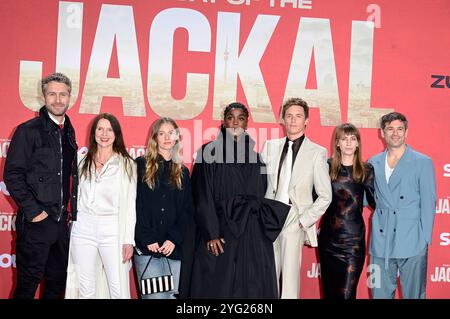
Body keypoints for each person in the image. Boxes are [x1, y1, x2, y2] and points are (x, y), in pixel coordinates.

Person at [189, 102, 290, 298]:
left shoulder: (257, 157)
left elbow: (262, 192)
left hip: (250, 232)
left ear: (246, 123)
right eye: (231, 117)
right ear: (224, 122)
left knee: (251, 288)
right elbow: (202, 196)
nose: (235, 122)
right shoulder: (207, 152)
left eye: (240, 118)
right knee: (218, 287)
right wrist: (211, 233)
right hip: (220, 230)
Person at [4, 73, 78, 299]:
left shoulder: (69, 132)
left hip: (61, 225)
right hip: (37, 225)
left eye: (62, 94)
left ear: (69, 97)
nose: (58, 100)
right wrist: (35, 212)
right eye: (52, 94)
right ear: (44, 96)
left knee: (56, 286)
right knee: (27, 286)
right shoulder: (28, 130)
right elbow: (12, 175)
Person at [261, 97, 332, 299]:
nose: (293, 120)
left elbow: (325, 195)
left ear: (306, 120)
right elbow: (260, 185)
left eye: (298, 116)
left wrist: (303, 221)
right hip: (269, 216)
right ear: (282, 119)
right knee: (266, 277)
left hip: (294, 217)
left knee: (290, 283)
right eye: (289, 116)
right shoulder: (270, 147)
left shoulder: (317, 152)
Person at [65, 113, 136, 299]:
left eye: (109, 129)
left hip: (112, 229)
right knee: (84, 288)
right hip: (83, 229)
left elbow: (130, 204)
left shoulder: (127, 164)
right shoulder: (81, 161)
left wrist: (128, 240)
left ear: (116, 134)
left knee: (118, 289)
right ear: (94, 132)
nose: (104, 134)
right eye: (100, 129)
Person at [368, 112, 436, 299]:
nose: (395, 133)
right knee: (379, 294)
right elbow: (365, 198)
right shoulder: (373, 163)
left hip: (412, 239)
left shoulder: (422, 162)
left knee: (414, 295)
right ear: (382, 133)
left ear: (406, 132)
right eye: (390, 129)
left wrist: (424, 240)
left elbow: (429, 203)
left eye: (399, 129)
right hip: (381, 240)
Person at [133, 117, 193, 299]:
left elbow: (187, 211)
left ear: (177, 138)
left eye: (171, 133)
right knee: (155, 298)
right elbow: (135, 205)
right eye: (162, 133)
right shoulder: (141, 165)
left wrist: (173, 239)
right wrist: (147, 237)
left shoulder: (182, 172)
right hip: (147, 249)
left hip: (172, 249)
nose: (167, 137)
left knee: (171, 298)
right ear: (155, 138)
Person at [318, 123, 375, 299]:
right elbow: (314, 198)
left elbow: (376, 202)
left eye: (353, 139)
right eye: (344, 139)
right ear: (337, 143)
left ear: (358, 143)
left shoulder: (366, 170)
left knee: (347, 296)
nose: (349, 143)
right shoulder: (326, 166)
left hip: (353, 242)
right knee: (329, 294)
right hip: (328, 241)